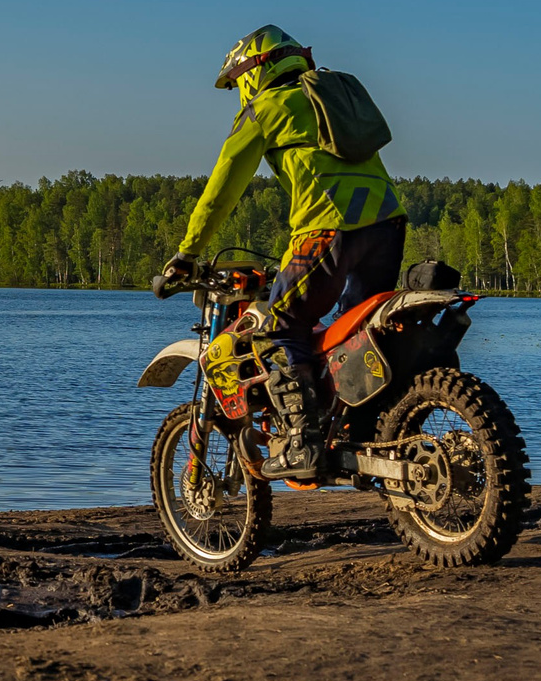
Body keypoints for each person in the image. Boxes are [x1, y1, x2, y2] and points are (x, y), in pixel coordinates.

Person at [160, 25, 405, 482]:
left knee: (277, 327)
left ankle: (301, 444)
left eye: (237, 83)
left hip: (328, 228)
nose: (238, 93)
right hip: (388, 224)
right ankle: (367, 432)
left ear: (254, 70)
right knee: (355, 339)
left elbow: (223, 186)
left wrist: (188, 252)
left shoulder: (267, 108)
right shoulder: (329, 94)